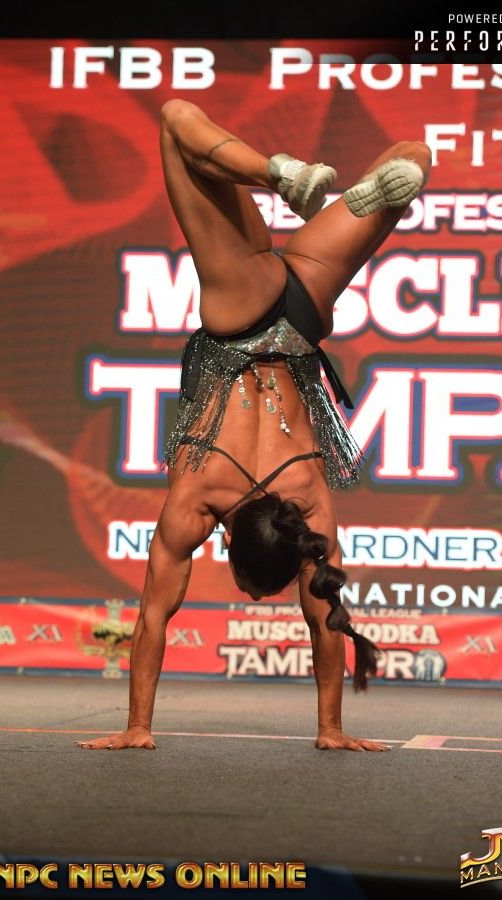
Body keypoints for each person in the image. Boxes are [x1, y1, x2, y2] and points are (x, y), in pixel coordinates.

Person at [77, 101, 431, 753]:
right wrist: (136, 727)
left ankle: (358, 183)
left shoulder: (308, 505)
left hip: (305, 309)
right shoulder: (197, 497)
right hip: (239, 309)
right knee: (176, 119)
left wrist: (332, 729)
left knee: (411, 153)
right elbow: (152, 618)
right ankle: (279, 174)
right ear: (231, 543)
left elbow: (326, 619)